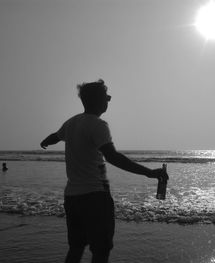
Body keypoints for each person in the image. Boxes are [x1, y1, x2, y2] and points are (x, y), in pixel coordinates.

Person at [40, 79, 168, 263]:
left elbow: (55, 136)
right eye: (107, 97)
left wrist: (45, 141)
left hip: (72, 197)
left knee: (76, 248)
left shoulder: (71, 123)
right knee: (101, 251)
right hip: (95, 197)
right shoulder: (98, 125)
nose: (109, 100)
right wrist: (150, 172)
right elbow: (113, 157)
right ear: (98, 100)